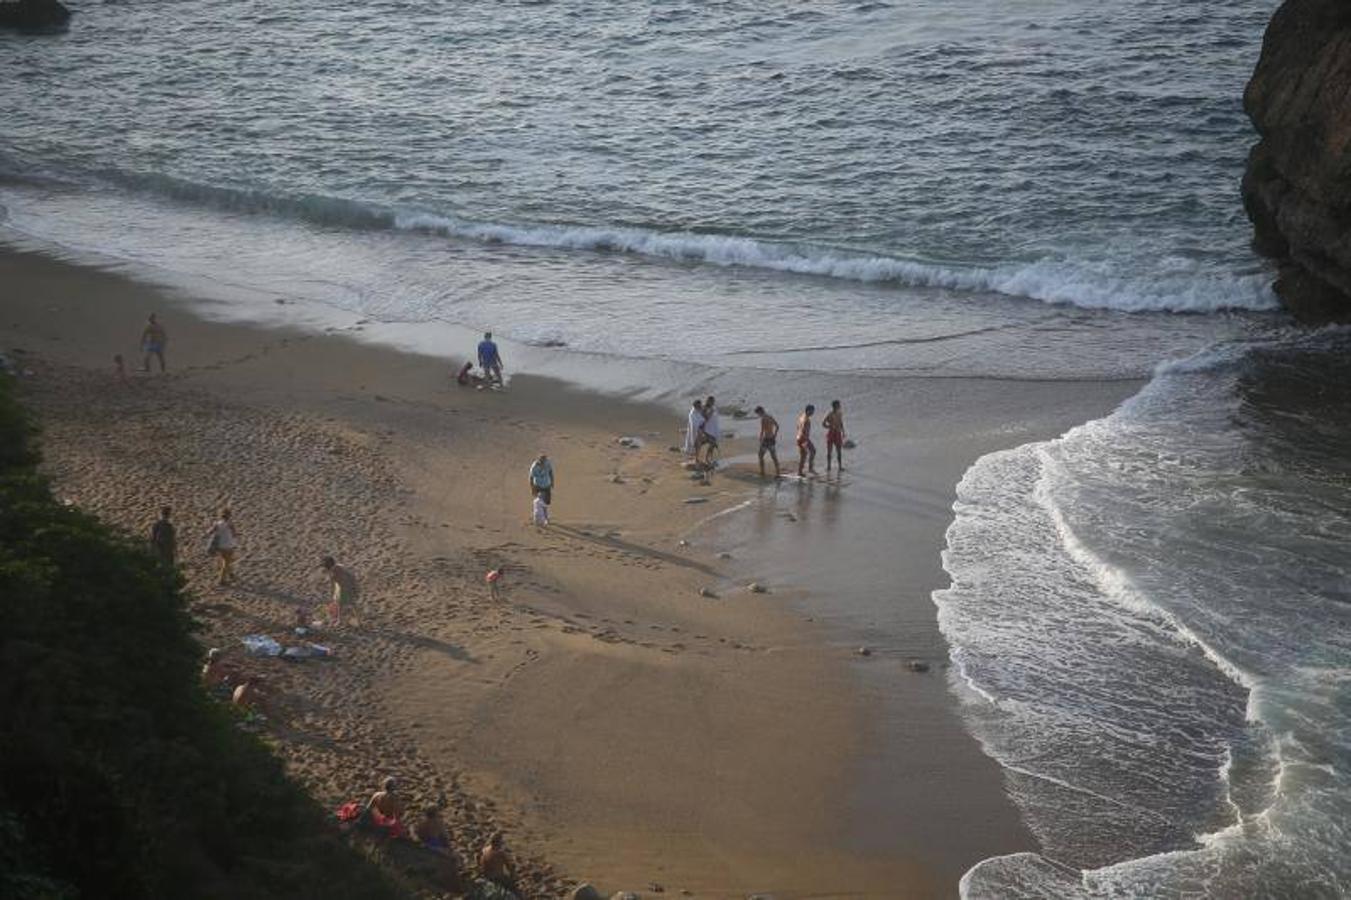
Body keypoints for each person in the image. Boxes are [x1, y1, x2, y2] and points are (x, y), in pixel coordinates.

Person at [321, 555, 361, 628]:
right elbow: (351, 575)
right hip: (347, 586)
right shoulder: (340, 566)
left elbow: (332, 585)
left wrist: (332, 594)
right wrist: (355, 587)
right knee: (350, 604)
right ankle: (358, 620)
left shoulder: (333, 573)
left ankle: (341, 620)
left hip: (344, 589)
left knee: (343, 605)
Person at [205, 508, 239, 586]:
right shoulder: (230, 524)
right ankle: (221, 580)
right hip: (229, 545)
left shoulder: (217, 523)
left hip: (220, 545)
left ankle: (231, 574)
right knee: (226, 562)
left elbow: (209, 532)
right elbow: (234, 534)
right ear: (229, 515)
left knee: (225, 560)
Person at [754, 406, 781, 479]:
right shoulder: (770, 417)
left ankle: (762, 472)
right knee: (774, 457)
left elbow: (762, 430)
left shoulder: (763, 419)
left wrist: (760, 438)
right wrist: (775, 435)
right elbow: (777, 426)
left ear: (760, 412)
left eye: (758, 414)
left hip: (766, 440)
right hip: (772, 439)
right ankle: (778, 473)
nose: (758, 415)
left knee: (760, 455)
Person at [823, 399, 846, 472]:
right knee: (829, 451)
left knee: (839, 451)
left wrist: (843, 431)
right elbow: (823, 423)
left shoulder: (840, 413)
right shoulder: (829, 414)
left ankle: (840, 467)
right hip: (831, 433)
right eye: (839, 405)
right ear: (835, 406)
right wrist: (829, 427)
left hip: (838, 433)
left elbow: (841, 422)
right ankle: (829, 466)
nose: (840, 406)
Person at [796, 404, 818, 477]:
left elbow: (798, 427)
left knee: (812, 451)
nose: (813, 413)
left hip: (800, 437)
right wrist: (805, 442)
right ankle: (800, 472)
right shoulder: (806, 420)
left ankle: (809, 468)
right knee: (804, 455)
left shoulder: (801, 416)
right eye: (812, 411)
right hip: (803, 438)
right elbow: (803, 430)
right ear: (808, 410)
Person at [700, 395, 721, 468]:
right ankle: (707, 459)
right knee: (711, 443)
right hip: (707, 429)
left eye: (713, 401)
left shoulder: (713, 408)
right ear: (708, 401)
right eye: (711, 401)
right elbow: (704, 418)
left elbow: (715, 419)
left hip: (713, 430)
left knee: (712, 444)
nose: (712, 403)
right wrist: (710, 413)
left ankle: (709, 459)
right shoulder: (704, 408)